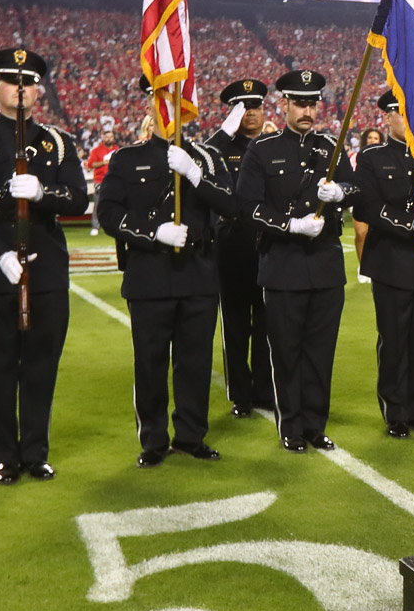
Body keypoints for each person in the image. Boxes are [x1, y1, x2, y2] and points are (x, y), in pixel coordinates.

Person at [0, 47, 87, 485]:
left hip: (45, 269)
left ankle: (35, 452)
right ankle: (6, 455)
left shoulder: (57, 142)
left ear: (39, 90)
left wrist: (44, 192)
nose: (20, 89)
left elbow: (80, 199)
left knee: (42, 366)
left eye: (28, 82)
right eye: (12, 81)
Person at [99, 76, 237, 467]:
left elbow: (232, 206)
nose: (171, 107)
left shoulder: (206, 159)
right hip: (150, 276)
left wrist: (195, 175)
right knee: (151, 364)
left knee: (195, 364)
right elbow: (107, 214)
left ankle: (191, 436)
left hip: (198, 274)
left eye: (177, 100)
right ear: (149, 105)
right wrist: (152, 232)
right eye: (162, 99)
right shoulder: (127, 159)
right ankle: (154, 440)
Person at [235, 69, 357, 452]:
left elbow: (357, 189)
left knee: (321, 353)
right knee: (286, 351)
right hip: (283, 264)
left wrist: (339, 192)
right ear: (284, 104)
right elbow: (246, 207)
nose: (307, 110)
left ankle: (315, 425)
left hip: (325, 266)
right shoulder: (263, 150)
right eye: (299, 103)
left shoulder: (330, 148)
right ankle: (290, 426)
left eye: (312, 103)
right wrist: (290, 225)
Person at [353, 92, 414, 438]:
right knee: (394, 342)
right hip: (392, 263)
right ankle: (395, 412)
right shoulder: (371, 157)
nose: (407, 120)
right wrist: (409, 224)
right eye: (401, 113)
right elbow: (365, 206)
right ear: (388, 117)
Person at [203, 79, 274, 418]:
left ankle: (264, 390)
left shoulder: (274, 146)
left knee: (266, 322)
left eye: (256, 107)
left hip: (268, 244)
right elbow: (196, 165)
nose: (251, 114)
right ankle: (240, 396)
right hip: (231, 245)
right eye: (242, 108)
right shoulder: (218, 150)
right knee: (234, 324)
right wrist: (221, 133)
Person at [351, 126, 386, 280]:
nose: (372, 140)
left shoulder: (384, 157)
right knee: (361, 233)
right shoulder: (354, 157)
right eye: (370, 138)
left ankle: (376, 266)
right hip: (359, 198)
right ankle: (362, 266)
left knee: (377, 234)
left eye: (375, 138)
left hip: (378, 200)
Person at [85, 128, 118, 235]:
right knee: (98, 204)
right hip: (100, 180)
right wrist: (103, 163)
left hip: (114, 181)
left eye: (111, 137)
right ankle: (95, 227)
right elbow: (91, 164)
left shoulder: (117, 149)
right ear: (103, 138)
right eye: (107, 137)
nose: (109, 139)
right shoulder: (96, 150)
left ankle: (113, 226)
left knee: (115, 204)